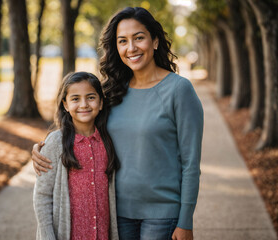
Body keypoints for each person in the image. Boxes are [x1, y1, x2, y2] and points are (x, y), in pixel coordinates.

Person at [32, 7, 203, 240]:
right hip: (115, 214)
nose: (131, 48)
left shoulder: (179, 90)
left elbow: (191, 163)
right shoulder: (111, 92)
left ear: (155, 41)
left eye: (139, 38)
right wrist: (43, 148)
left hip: (162, 214)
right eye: (122, 41)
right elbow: (81, 126)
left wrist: (186, 220)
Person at [33, 71, 120, 240]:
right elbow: (42, 196)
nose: (84, 104)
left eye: (91, 97)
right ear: (65, 104)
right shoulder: (56, 142)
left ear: (101, 103)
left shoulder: (108, 140)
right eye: (75, 99)